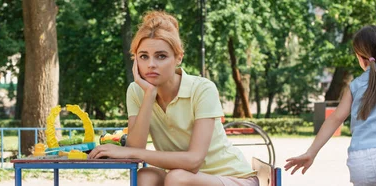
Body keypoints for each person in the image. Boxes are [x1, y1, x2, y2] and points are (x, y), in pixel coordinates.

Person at [88, 11, 258, 186]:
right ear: (135, 60)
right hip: (184, 177)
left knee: (177, 178)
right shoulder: (136, 91)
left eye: (161, 56)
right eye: (143, 56)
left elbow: (194, 161)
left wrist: (127, 152)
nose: (151, 64)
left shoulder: (202, 89)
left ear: (178, 58)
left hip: (233, 178)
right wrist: (149, 95)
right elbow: (136, 149)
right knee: (146, 175)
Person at [285, 25, 376, 186]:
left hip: (359, 161)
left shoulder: (355, 85)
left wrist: (311, 152)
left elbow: (335, 119)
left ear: (361, 58)